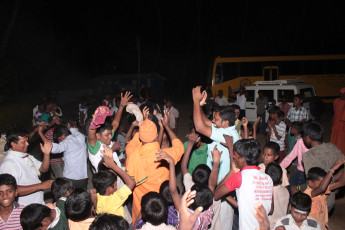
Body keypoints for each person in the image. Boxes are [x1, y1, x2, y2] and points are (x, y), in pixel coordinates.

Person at [125, 109, 184, 224]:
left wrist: (144, 124)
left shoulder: (132, 152)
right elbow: (179, 147)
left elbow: (132, 142)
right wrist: (166, 126)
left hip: (141, 211)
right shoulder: (166, 155)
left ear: (140, 136)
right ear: (157, 135)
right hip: (161, 209)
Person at [192, 86, 239, 230]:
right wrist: (200, 106)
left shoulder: (226, 135)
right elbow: (206, 121)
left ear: (225, 122)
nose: (213, 120)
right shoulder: (224, 129)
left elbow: (200, 127)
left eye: (216, 119)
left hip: (222, 187)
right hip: (216, 183)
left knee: (221, 224)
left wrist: (194, 101)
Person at [214, 139, 273, 230]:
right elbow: (270, 209)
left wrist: (232, 171)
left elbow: (216, 194)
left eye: (235, 156)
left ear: (242, 160)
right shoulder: (268, 178)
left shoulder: (239, 177)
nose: (233, 158)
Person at [0, 127, 53, 205]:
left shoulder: (25, 156)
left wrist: (46, 154)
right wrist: (40, 186)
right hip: (25, 207)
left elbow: (43, 169)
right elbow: (12, 190)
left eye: (27, 141)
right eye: (23, 142)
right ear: (13, 144)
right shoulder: (9, 164)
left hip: (36, 203)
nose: (27, 144)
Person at [302, 121, 344, 211]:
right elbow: (342, 169)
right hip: (330, 201)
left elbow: (314, 184)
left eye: (304, 137)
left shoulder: (308, 156)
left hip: (316, 203)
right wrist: (335, 180)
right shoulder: (332, 147)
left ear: (308, 138)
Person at [88, 92, 132, 172]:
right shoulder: (95, 146)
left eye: (109, 134)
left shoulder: (105, 138)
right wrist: (94, 124)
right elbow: (101, 166)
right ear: (98, 136)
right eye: (107, 135)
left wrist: (121, 106)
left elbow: (115, 123)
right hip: (106, 181)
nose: (110, 136)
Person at [38, 123, 88, 189]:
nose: (60, 142)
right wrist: (66, 126)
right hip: (83, 178)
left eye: (59, 140)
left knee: (69, 198)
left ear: (62, 136)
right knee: (82, 197)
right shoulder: (80, 136)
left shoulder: (66, 142)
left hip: (70, 178)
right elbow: (74, 130)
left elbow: (50, 146)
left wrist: (40, 132)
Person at [92, 146, 135, 218]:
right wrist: (113, 166)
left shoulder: (97, 197)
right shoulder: (114, 200)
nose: (115, 175)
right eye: (115, 184)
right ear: (109, 188)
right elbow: (131, 183)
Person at [304, 158, 345, 230]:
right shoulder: (308, 193)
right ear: (310, 183)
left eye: (325, 183)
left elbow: (342, 183)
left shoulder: (323, 189)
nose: (325, 185)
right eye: (320, 183)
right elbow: (322, 188)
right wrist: (332, 169)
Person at [265, 163, 290, 230]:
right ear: (281, 178)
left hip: (269, 227)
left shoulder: (266, 193)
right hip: (282, 225)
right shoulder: (285, 191)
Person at [330, 87, 345, 154]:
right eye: (340, 93)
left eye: (342, 94)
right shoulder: (336, 101)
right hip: (336, 122)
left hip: (343, 124)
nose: (341, 95)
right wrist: (333, 122)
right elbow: (335, 112)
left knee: (341, 139)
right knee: (334, 137)